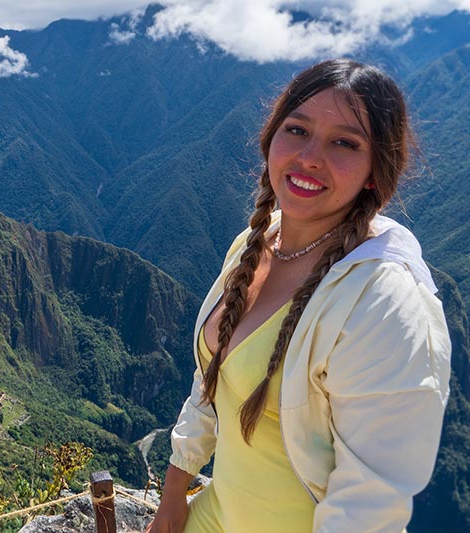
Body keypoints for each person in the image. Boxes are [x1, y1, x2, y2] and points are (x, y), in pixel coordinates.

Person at [145, 58, 451, 532]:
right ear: (270, 138)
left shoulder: (384, 301)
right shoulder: (254, 243)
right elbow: (211, 380)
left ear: (375, 170)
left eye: (344, 143)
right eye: (297, 130)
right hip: (214, 516)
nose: (310, 157)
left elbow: (371, 502)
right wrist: (174, 493)